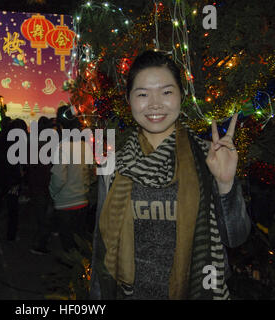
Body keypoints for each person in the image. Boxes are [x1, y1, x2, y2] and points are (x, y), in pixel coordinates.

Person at [89, 50, 251, 300]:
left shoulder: (209, 157)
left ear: (181, 96)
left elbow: (235, 237)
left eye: (166, 92)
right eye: (142, 94)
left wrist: (225, 182)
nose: (155, 104)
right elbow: (102, 251)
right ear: (129, 100)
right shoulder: (114, 166)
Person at [49, 106, 95, 253]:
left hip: (66, 204)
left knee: (69, 250)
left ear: (61, 126)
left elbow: (59, 177)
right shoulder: (85, 146)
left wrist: (53, 193)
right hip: (82, 202)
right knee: (81, 245)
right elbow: (91, 172)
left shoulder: (62, 147)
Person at [0, 119, 26, 242]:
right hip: (12, 180)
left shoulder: (3, 139)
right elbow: (21, 163)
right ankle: (11, 235)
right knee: (12, 209)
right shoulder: (20, 142)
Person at [27, 116, 54, 255]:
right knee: (45, 216)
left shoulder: (33, 143)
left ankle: (41, 241)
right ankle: (40, 244)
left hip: (36, 183)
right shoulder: (50, 144)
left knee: (41, 215)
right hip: (46, 183)